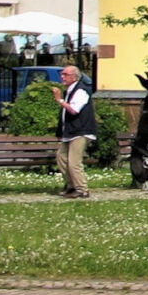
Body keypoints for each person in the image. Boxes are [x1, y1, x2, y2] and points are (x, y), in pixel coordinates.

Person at [51, 65, 96, 199]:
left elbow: (74, 110)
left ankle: (82, 189)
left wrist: (59, 100)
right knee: (61, 157)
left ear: (74, 77)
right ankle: (71, 185)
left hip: (80, 131)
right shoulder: (69, 91)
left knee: (74, 162)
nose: (62, 77)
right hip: (70, 131)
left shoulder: (81, 91)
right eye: (62, 74)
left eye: (65, 74)